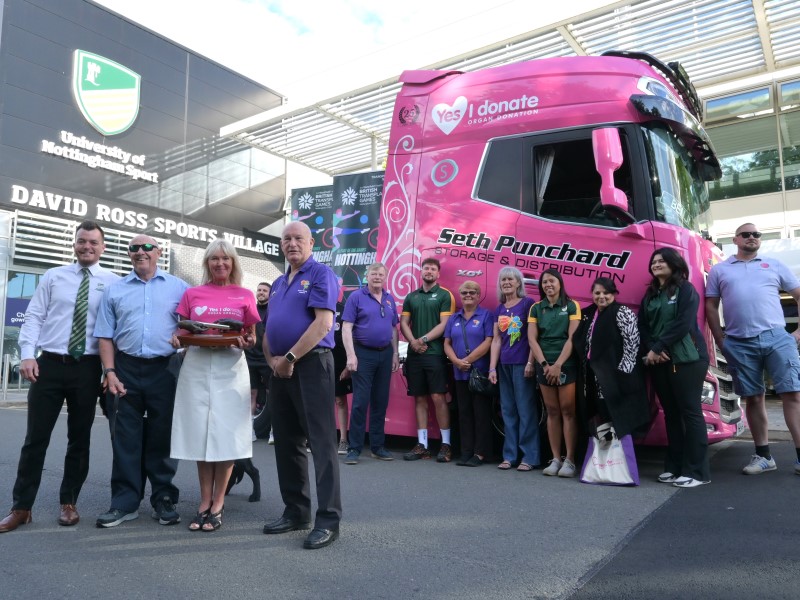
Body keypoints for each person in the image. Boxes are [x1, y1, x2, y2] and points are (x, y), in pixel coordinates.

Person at [0, 222, 120, 533]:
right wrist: (27, 353)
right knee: (34, 440)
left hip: (87, 368)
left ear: (103, 247)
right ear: (74, 244)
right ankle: (21, 507)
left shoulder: (113, 282)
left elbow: (116, 329)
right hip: (49, 366)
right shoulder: (54, 276)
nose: (87, 247)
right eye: (82, 241)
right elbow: (35, 316)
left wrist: (111, 369)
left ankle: (69, 502)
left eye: (93, 242)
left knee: (79, 440)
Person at [93, 234, 189, 528]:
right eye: (134, 248)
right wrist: (110, 373)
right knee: (125, 437)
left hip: (166, 368)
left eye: (147, 247)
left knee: (163, 436)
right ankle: (124, 502)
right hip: (125, 368)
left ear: (159, 252)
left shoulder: (179, 287)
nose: (140, 252)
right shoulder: (115, 290)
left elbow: (190, 325)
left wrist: (182, 336)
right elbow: (105, 336)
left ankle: (163, 499)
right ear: (129, 254)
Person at [169, 239, 260, 531]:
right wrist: (177, 338)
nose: (220, 263)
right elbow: (181, 331)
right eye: (214, 259)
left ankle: (218, 503)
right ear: (206, 263)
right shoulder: (192, 293)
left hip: (230, 367)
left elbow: (252, 337)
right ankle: (203, 501)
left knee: (226, 435)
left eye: (226, 259)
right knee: (199, 435)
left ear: (233, 263)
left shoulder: (245, 295)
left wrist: (247, 341)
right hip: (195, 365)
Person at [261, 221, 342, 550]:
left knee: (321, 443)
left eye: (298, 238)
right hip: (281, 367)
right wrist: (273, 362)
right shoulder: (279, 283)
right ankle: (296, 511)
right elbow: (268, 331)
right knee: (286, 441)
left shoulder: (321, 274)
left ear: (311, 244)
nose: (292, 243)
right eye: (286, 239)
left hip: (310, 364)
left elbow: (323, 323)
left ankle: (328, 520)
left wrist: (291, 358)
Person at [706, 223, 800, 475]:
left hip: (777, 338)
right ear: (735, 239)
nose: (752, 238)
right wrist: (720, 339)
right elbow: (711, 306)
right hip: (738, 341)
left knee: (792, 395)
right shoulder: (720, 270)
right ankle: (764, 456)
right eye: (746, 234)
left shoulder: (774, 264)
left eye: (756, 234)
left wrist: (798, 332)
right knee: (753, 397)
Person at [640, 248, 710, 488]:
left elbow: (683, 323)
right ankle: (674, 467)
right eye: (654, 262)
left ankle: (697, 472)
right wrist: (652, 348)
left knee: (691, 412)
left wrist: (657, 347)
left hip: (688, 359)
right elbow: (643, 327)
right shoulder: (650, 294)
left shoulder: (685, 289)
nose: (657, 264)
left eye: (662, 261)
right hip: (659, 359)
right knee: (671, 414)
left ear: (674, 264)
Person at [574, 277, 649, 441]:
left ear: (614, 294)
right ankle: (603, 462)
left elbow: (632, 345)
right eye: (597, 293)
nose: (601, 296)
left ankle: (619, 462)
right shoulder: (589, 313)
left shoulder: (622, 312)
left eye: (606, 293)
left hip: (616, 379)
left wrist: (623, 376)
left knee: (618, 422)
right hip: (595, 377)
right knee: (601, 419)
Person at [341, 262, 400, 465]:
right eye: (373, 273)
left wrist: (394, 355)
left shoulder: (390, 299)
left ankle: (377, 447)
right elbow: (346, 327)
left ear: (386, 277)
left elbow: (394, 329)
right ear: (367, 276)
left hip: (385, 355)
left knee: (380, 402)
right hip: (363, 355)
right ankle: (354, 449)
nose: (377, 277)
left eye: (381, 274)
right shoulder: (356, 297)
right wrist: (351, 355)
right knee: (360, 403)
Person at [399, 258, 456, 462]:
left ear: (438, 273)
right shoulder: (411, 296)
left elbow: (444, 324)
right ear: (421, 271)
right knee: (420, 398)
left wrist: (422, 339)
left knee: (439, 398)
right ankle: (422, 445)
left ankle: (446, 445)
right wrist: (413, 342)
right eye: (426, 268)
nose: (429, 271)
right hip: (415, 356)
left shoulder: (444, 295)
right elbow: (404, 322)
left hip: (435, 354)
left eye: (433, 269)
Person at [527, 268, 581, 478]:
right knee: (552, 411)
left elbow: (572, 338)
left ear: (560, 283)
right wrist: (544, 364)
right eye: (545, 282)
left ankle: (570, 460)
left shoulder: (571, 305)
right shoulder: (536, 308)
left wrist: (558, 364)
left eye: (552, 281)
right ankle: (556, 459)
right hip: (544, 364)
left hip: (565, 364)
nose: (548, 285)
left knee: (568, 411)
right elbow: (532, 339)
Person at [488, 267, 540, 471]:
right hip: (504, 366)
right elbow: (496, 341)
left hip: (522, 365)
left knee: (525, 411)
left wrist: (530, 362)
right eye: (503, 280)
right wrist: (492, 368)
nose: (506, 283)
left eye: (510, 279)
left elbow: (533, 337)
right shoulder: (499, 309)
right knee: (507, 411)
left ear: (519, 283)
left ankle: (529, 457)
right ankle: (509, 456)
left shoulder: (528, 304)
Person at [443, 280, 494, 467]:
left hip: (479, 373)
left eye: (472, 292)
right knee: (464, 414)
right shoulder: (454, 318)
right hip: (460, 374)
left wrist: (468, 360)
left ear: (478, 296)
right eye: (464, 293)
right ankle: (466, 451)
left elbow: (489, 341)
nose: (468, 295)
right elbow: (446, 343)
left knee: (481, 414)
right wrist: (456, 362)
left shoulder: (486, 315)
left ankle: (480, 453)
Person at [246, 282, 272, 441]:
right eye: (259, 290)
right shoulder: (251, 310)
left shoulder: (273, 310)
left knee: (272, 394)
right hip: (250, 357)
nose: (261, 293)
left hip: (267, 358)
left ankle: (273, 432)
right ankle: (250, 431)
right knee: (251, 394)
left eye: (265, 291)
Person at [333, 285, 353, 455]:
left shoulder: (344, 309)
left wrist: (348, 363)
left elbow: (349, 336)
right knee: (319, 402)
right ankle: (319, 438)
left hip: (339, 361)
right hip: (318, 361)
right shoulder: (314, 308)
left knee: (340, 401)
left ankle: (343, 440)